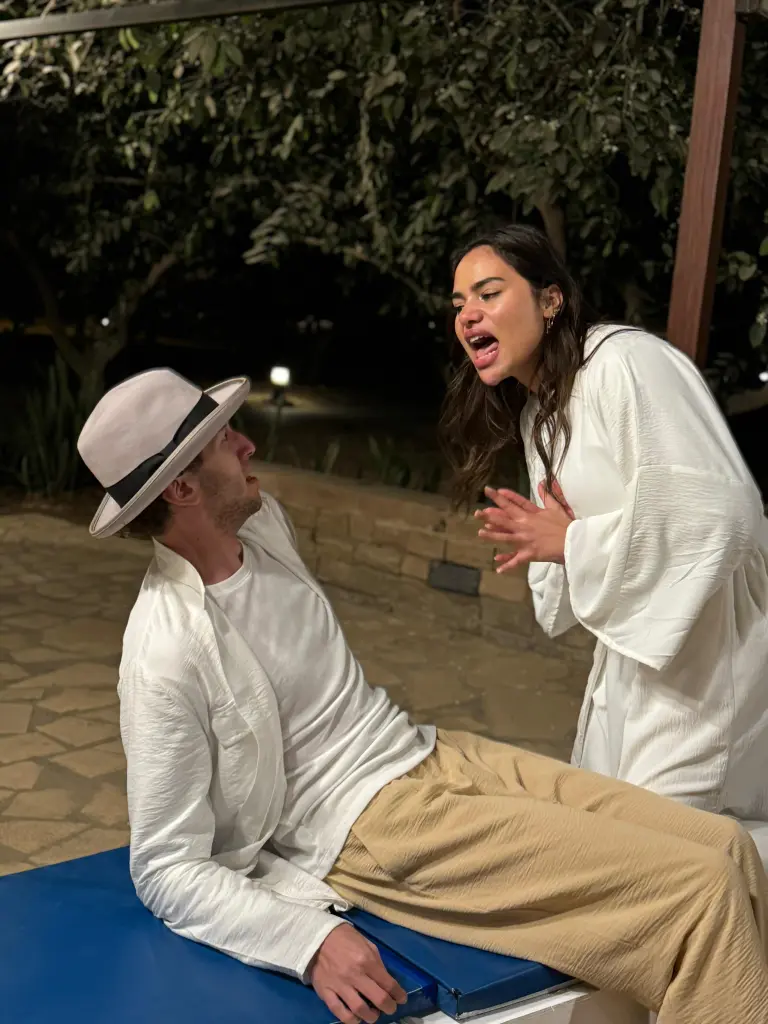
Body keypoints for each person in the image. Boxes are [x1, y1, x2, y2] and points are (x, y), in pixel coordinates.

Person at [78, 367, 768, 1024]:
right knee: (699, 894)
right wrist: (306, 943)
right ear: (181, 490)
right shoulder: (164, 651)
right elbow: (165, 865)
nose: (247, 441)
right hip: (370, 826)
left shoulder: (261, 527)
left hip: (432, 752)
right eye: (222, 442)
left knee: (726, 846)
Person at [442, 223, 768, 867]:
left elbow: (720, 510)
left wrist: (576, 540)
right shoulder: (542, 410)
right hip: (639, 651)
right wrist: (562, 546)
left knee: (670, 848)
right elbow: (577, 536)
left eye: (488, 292)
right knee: (618, 824)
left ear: (550, 299)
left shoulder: (625, 362)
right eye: (458, 305)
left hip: (708, 645)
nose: (468, 314)